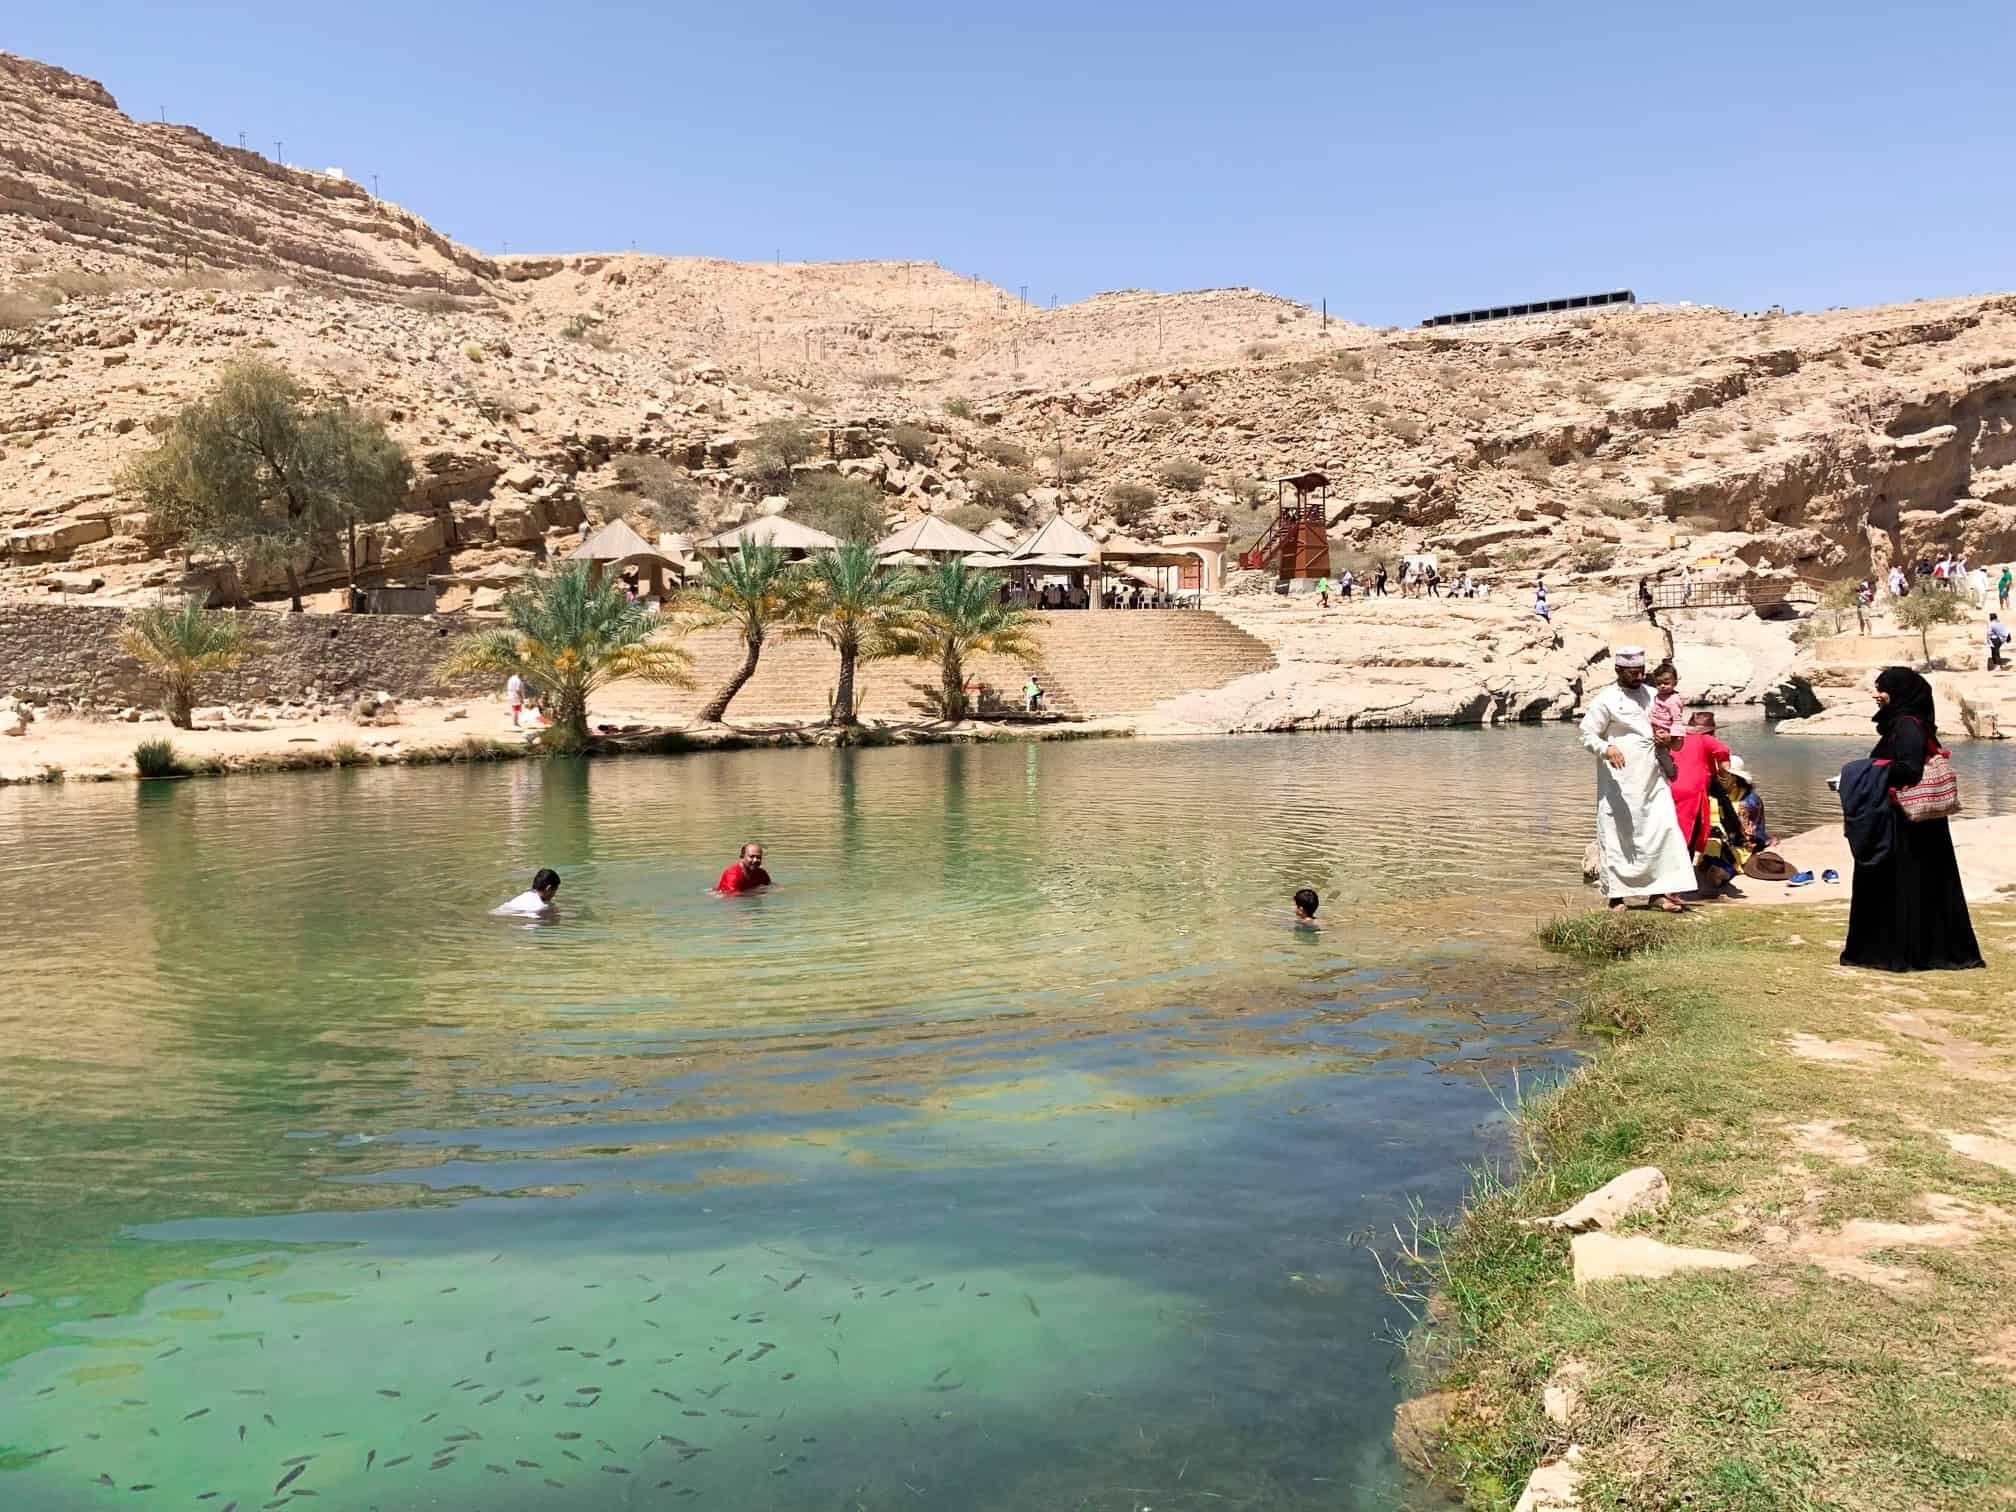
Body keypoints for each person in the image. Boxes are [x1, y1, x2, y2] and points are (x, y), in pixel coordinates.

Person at [1841, 669, 1983, 972]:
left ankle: (1902, 952)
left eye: (1882, 689)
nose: (1876, 695)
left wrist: (1857, 771)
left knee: (1901, 884)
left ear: (1899, 692)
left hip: (1905, 824)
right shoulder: (1904, 723)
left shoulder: (1907, 725)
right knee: (1919, 885)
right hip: (1912, 824)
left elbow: (1908, 769)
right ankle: (1913, 950)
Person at [1578, 648, 1695, 912]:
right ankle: (1617, 898)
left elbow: (1674, 732)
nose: (1639, 677)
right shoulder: (1606, 699)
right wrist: (1607, 749)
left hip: (1653, 778)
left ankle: (1659, 894)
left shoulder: (1655, 696)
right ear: (1618, 671)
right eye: (1633, 673)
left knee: (1661, 831)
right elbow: (1587, 735)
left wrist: (1669, 739)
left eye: (1642, 672)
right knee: (1619, 835)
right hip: (1620, 782)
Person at [1668, 709, 1733, 858]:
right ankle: (1685, 871)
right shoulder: (1705, 739)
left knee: (1672, 830)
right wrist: (1723, 777)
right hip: (1692, 791)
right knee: (1689, 831)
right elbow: (1724, 754)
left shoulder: (1676, 738)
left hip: (1669, 787)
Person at [1647, 661, 1685, 782]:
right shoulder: (1658, 695)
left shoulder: (1673, 700)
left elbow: (1677, 719)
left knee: (1661, 752)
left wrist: (1674, 737)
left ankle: (1671, 772)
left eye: (1666, 683)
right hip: (1655, 726)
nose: (1662, 686)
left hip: (1664, 730)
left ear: (1675, 683)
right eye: (1659, 683)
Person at [493, 867, 561, 917]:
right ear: (548, 889)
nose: (554, 894)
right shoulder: (540, 907)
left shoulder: (527, 895)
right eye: (555, 890)